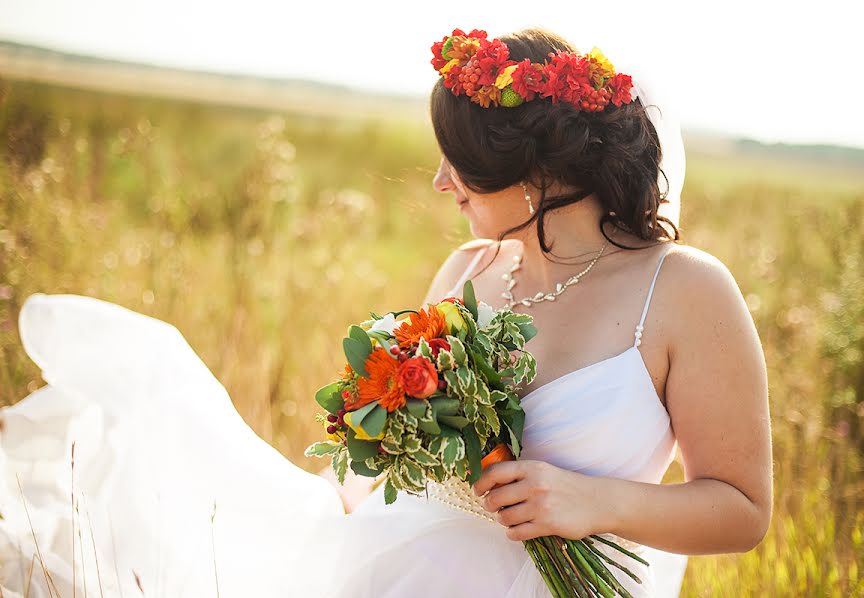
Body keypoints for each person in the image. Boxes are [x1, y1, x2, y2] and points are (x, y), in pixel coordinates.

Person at [0, 27, 771, 598]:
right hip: (389, 571)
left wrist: (590, 501)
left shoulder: (686, 291)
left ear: (534, 172)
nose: (441, 182)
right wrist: (371, 445)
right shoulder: (470, 271)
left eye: (458, 162)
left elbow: (742, 510)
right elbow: (404, 472)